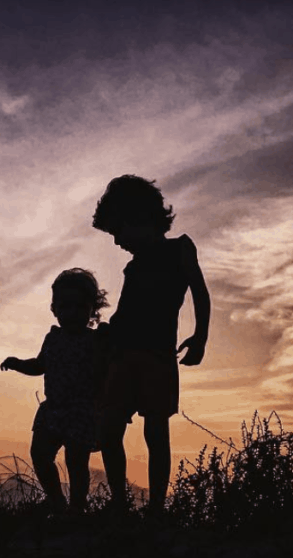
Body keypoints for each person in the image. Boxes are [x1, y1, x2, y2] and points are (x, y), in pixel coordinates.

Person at [92, 174, 211, 516]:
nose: (116, 242)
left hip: (158, 358)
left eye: (118, 231)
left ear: (138, 219)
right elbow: (125, 314)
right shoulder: (134, 266)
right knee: (109, 431)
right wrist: (105, 337)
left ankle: (157, 508)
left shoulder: (180, 249)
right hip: (122, 356)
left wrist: (200, 336)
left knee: (156, 432)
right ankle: (119, 503)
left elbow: (200, 294)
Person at [1, 268, 110, 514]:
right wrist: (18, 363)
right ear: (55, 309)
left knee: (76, 462)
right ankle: (56, 501)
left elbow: (108, 372)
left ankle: (77, 509)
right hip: (54, 409)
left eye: (79, 307)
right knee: (40, 454)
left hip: (83, 411)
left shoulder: (96, 341)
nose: (71, 313)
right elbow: (40, 365)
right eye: (65, 306)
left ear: (91, 309)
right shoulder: (53, 338)